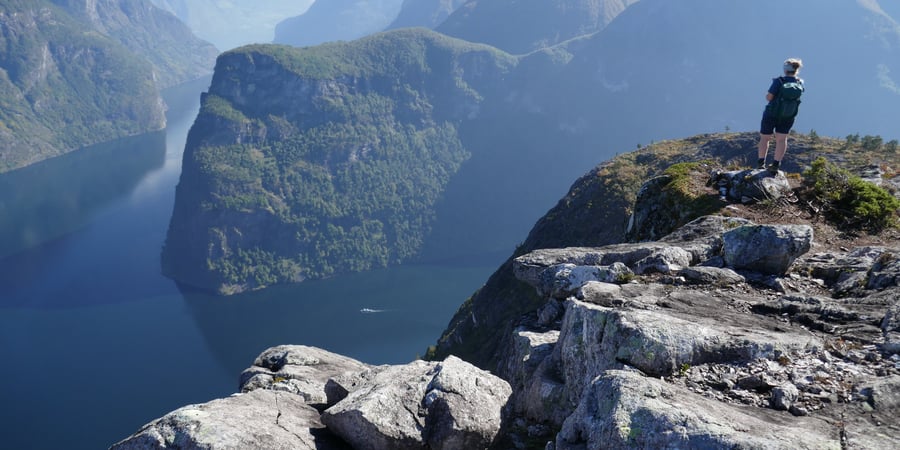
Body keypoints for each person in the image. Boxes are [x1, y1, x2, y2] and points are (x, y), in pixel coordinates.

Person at [757, 58, 804, 173]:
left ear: (785, 69)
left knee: (765, 138)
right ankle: (776, 165)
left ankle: (760, 163)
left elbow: (769, 97)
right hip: (788, 116)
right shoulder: (799, 82)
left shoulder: (779, 81)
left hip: (771, 113)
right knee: (782, 140)